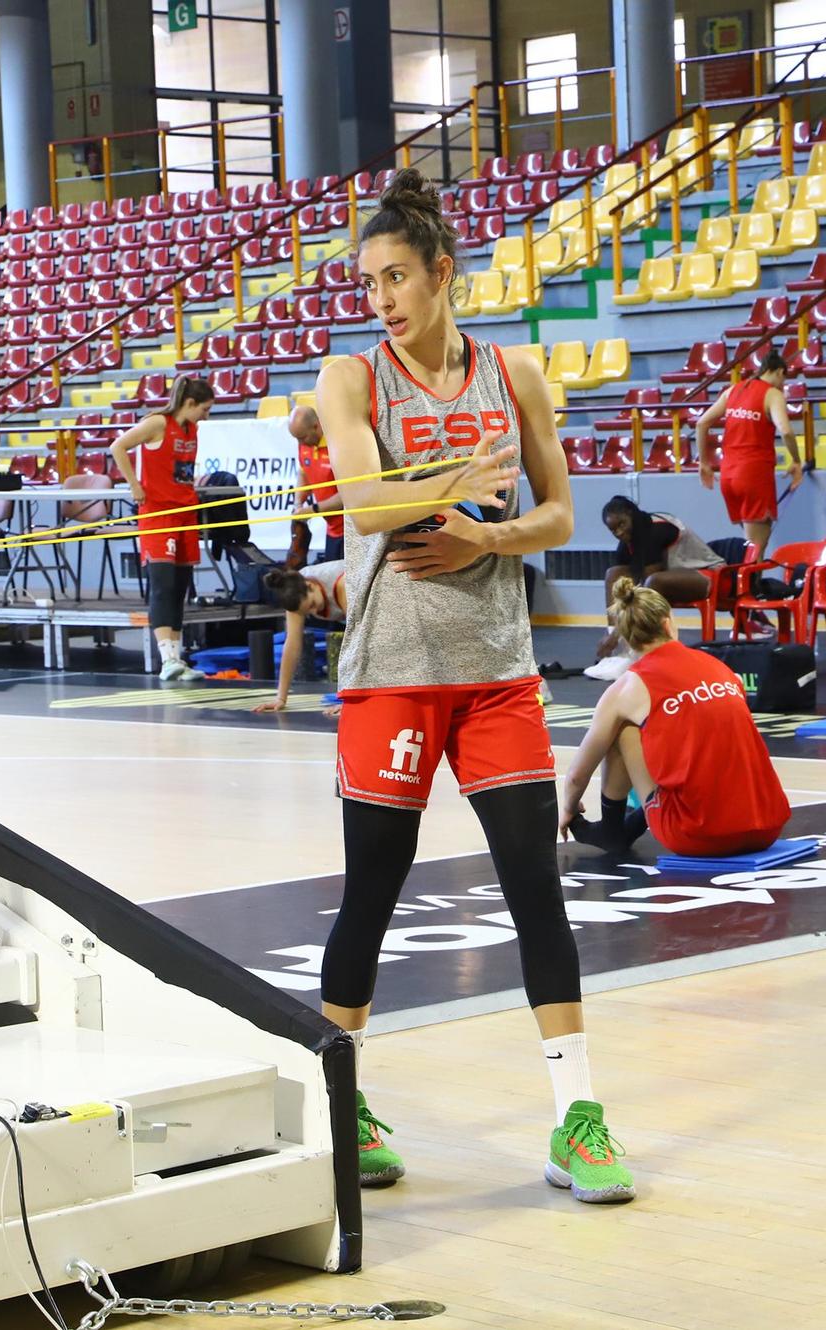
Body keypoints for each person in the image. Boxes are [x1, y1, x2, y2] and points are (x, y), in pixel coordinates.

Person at [313, 168, 633, 1205]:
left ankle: (576, 1120)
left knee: (534, 887)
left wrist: (482, 536)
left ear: (442, 272)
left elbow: (558, 514)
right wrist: (455, 482)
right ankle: (341, 1101)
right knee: (374, 887)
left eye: (397, 277)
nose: (381, 299)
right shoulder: (350, 379)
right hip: (392, 677)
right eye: (368, 285)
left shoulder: (516, 374)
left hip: (496, 673)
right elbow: (363, 503)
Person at [560, 577, 791, 859]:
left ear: (626, 638)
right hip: (767, 827)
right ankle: (624, 825)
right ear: (668, 623)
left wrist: (568, 810)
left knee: (624, 728)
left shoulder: (626, 688)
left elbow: (575, 777)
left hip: (699, 836)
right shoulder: (720, 667)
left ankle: (612, 828)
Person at [109, 375, 216, 681]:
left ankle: (178, 659)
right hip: (158, 514)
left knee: (181, 587)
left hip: (186, 512)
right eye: (204, 410)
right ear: (190, 403)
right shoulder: (157, 424)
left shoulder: (191, 428)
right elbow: (119, 446)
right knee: (163, 585)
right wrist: (134, 486)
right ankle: (166, 658)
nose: (206, 417)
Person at [589, 495, 725, 677]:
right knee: (614, 574)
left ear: (632, 514)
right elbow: (626, 587)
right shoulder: (627, 544)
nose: (619, 533)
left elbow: (643, 589)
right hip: (672, 577)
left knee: (653, 582)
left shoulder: (656, 529)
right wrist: (613, 633)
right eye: (613, 530)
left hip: (707, 575)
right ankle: (621, 652)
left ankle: (637, 648)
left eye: (621, 524)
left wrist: (619, 634)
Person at [694, 348, 803, 555]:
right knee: (754, 551)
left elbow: (701, 424)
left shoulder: (733, 390)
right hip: (753, 476)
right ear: (779, 372)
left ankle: (749, 585)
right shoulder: (773, 394)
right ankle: (748, 588)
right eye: (784, 379)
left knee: (753, 542)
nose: (783, 385)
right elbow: (786, 431)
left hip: (729, 477)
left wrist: (704, 463)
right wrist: (796, 461)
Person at [251, 560, 348, 714]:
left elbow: (358, 638)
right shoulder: (294, 591)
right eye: (308, 612)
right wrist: (281, 698)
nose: (314, 611)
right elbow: (292, 645)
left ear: (311, 585)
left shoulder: (341, 584)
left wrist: (350, 701)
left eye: (312, 605)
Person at [288, 404, 345, 561]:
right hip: (332, 530)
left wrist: (313, 509)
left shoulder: (338, 444)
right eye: (297, 439)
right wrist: (298, 503)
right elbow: (304, 473)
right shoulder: (304, 444)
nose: (300, 443)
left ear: (316, 425)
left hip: (351, 529)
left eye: (302, 437)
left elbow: (349, 494)